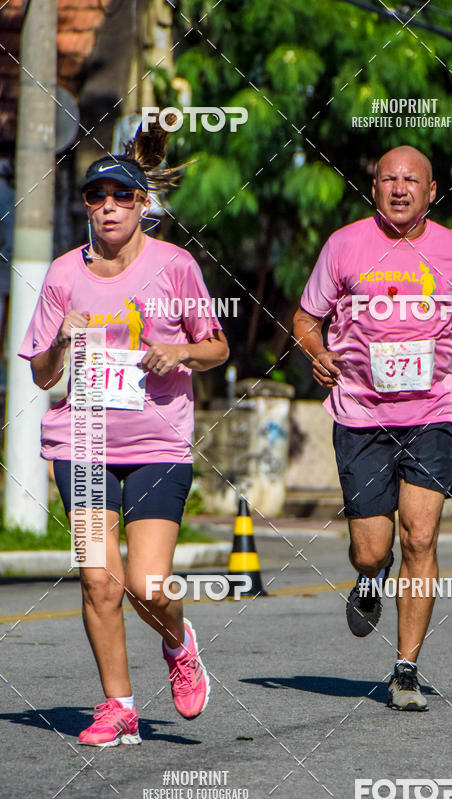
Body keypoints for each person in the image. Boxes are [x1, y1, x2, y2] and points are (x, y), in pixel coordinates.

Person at [19, 121, 229, 746]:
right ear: (86, 207)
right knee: (96, 578)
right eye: (96, 197)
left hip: (158, 444)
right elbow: (41, 374)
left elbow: (218, 347)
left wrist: (181, 353)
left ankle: (179, 642)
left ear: (142, 205)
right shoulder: (62, 276)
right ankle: (118, 707)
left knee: (147, 583)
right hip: (80, 443)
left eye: (121, 196)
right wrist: (61, 336)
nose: (108, 207)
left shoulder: (176, 266)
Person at [293, 145, 452, 711]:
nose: (400, 188)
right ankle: (367, 579)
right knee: (371, 548)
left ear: (432, 191)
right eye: (390, 179)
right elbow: (306, 319)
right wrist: (315, 350)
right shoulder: (345, 246)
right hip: (361, 414)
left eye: (413, 180)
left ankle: (405, 668)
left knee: (421, 535)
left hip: (433, 411)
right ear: (375, 186)